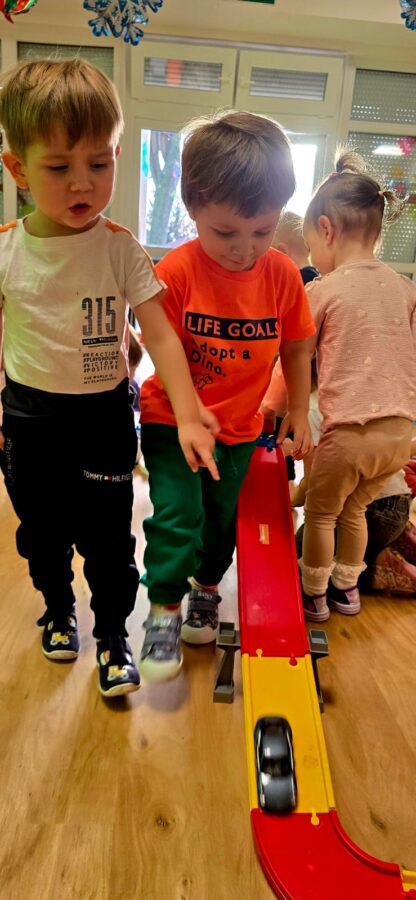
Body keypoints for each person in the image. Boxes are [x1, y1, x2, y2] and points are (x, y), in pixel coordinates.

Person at [0, 58, 218, 698]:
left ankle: (114, 635)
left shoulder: (120, 248)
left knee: (107, 539)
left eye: (99, 163)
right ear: (17, 169)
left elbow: (161, 335)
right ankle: (57, 610)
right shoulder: (7, 250)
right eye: (58, 167)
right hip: (30, 419)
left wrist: (187, 413)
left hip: (102, 419)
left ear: (118, 155)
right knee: (43, 534)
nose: (82, 183)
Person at [138, 110, 316, 683]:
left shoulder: (282, 275)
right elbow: (161, 348)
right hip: (171, 418)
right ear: (192, 206)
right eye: (226, 233)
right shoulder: (177, 272)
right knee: (179, 514)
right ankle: (164, 608)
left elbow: (297, 346)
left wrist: (298, 408)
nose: (245, 249)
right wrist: (189, 415)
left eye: (262, 232)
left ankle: (206, 590)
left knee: (220, 522)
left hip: (240, 428)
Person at [298, 148, 416, 622]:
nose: (314, 258)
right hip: (399, 436)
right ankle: (348, 590)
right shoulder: (405, 287)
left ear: (326, 230)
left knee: (322, 513)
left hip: (350, 433)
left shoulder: (323, 288)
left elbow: (296, 357)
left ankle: (315, 595)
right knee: (354, 510)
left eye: (311, 245)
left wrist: (276, 409)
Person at [261, 213, 319, 482]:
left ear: (281, 253)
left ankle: (280, 480)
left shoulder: (299, 282)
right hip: (309, 381)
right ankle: (289, 479)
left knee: (276, 431)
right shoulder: (317, 278)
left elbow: (292, 342)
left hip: (293, 379)